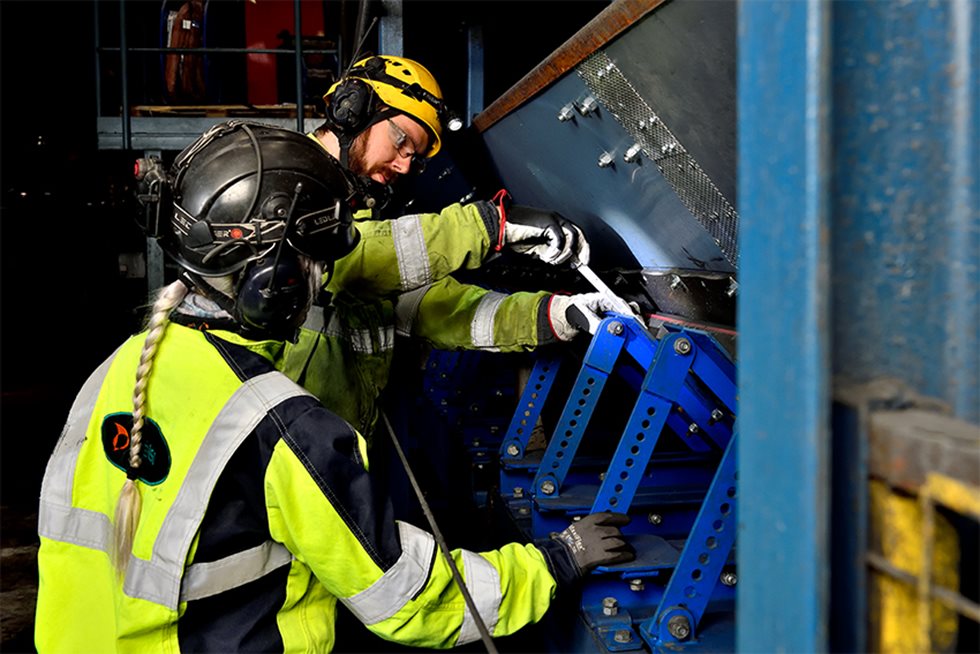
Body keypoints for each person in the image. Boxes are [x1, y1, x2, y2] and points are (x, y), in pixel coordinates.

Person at [35, 122, 635, 652]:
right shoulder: (285, 430)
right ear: (277, 278)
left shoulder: (117, 367)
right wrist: (558, 558)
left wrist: (551, 315)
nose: (321, 286)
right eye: (317, 269)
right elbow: (412, 600)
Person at [284, 54, 622, 440]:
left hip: (336, 441)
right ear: (353, 109)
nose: (405, 166)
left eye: (413, 156)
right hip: (278, 452)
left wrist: (552, 314)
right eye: (402, 143)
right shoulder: (279, 183)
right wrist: (495, 225)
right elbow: (352, 264)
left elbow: (434, 309)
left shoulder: (355, 211)